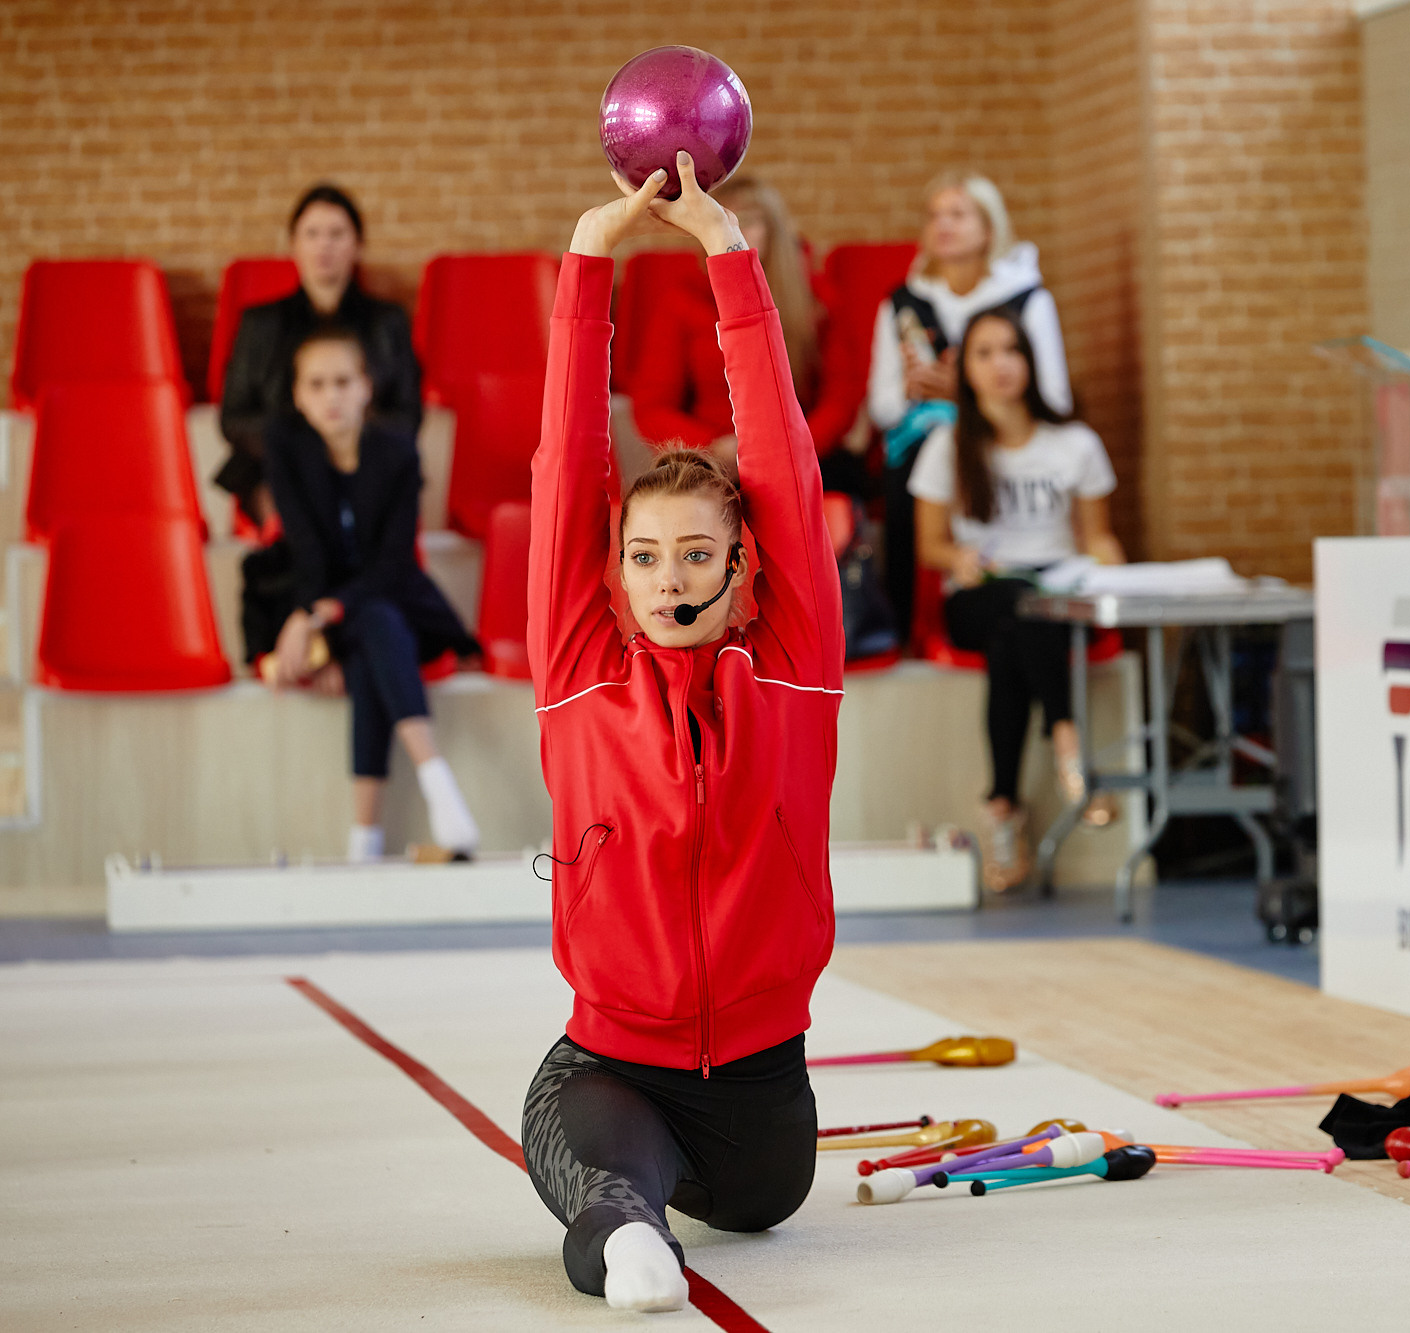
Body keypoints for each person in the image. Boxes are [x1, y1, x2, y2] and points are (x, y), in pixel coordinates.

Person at [519, 156, 841, 1314]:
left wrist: (725, 256)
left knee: (759, 1200)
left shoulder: (790, 678)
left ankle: (646, 1211)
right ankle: (626, 1241)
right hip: (610, 1059)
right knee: (616, 1186)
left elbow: (783, 471)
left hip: (760, 1088)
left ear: (741, 563)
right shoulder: (578, 677)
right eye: (644, 556)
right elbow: (567, 469)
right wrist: (590, 261)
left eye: (697, 553)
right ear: (612, 572)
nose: (668, 577)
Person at [909, 306, 1122, 891]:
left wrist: (1113, 568)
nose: (1000, 365)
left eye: (1012, 350)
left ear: (1030, 360)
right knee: (1014, 606)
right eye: (984, 353)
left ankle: (1003, 807)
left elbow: (1097, 535)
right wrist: (960, 559)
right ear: (965, 369)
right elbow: (930, 547)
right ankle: (1070, 744)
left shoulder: (1074, 443)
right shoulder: (947, 445)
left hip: (1050, 594)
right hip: (979, 595)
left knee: (1020, 630)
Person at [262, 324, 483, 864]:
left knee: (379, 621)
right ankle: (435, 788)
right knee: (371, 636)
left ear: (366, 387)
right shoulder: (285, 448)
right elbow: (307, 552)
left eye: (342, 381)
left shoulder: (396, 452)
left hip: (400, 603)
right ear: (297, 394)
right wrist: (324, 631)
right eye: (316, 384)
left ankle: (367, 839)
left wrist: (316, 618)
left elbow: (392, 564)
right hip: (341, 614)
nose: (331, 396)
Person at [219, 183, 423, 665]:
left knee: (367, 522)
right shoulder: (260, 323)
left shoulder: (386, 321)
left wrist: (344, 445)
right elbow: (234, 417)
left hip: (362, 463)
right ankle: (294, 641)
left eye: (337, 233)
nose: (324, 245)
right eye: (312, 233)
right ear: (294, 244)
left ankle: (338, 641)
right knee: (297, 524)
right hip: (277, 467)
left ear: (357, 244)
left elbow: (405, 415)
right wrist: (307, 448)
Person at [868, 171, 1071, 636]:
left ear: (989, 227)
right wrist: (913, 390)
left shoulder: (1026, 299)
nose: (944, 225)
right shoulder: (901, 303)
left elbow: (1055, 397)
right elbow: (882, 408)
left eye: (958, 214)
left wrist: (967, 390)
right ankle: (903, 629)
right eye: (935, 215)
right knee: (911, 466)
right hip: (928, 441)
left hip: (1008, 434)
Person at [626, 174, 869, 497]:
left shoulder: (817, 300)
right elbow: (652, 406)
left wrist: (792, 447)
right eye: (723, 221)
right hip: (711, 462)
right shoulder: (682, 301)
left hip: (797, 457)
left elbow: (841, 399)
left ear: (774, 232)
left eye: (749, 222)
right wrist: (714, 447)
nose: (735, 233)